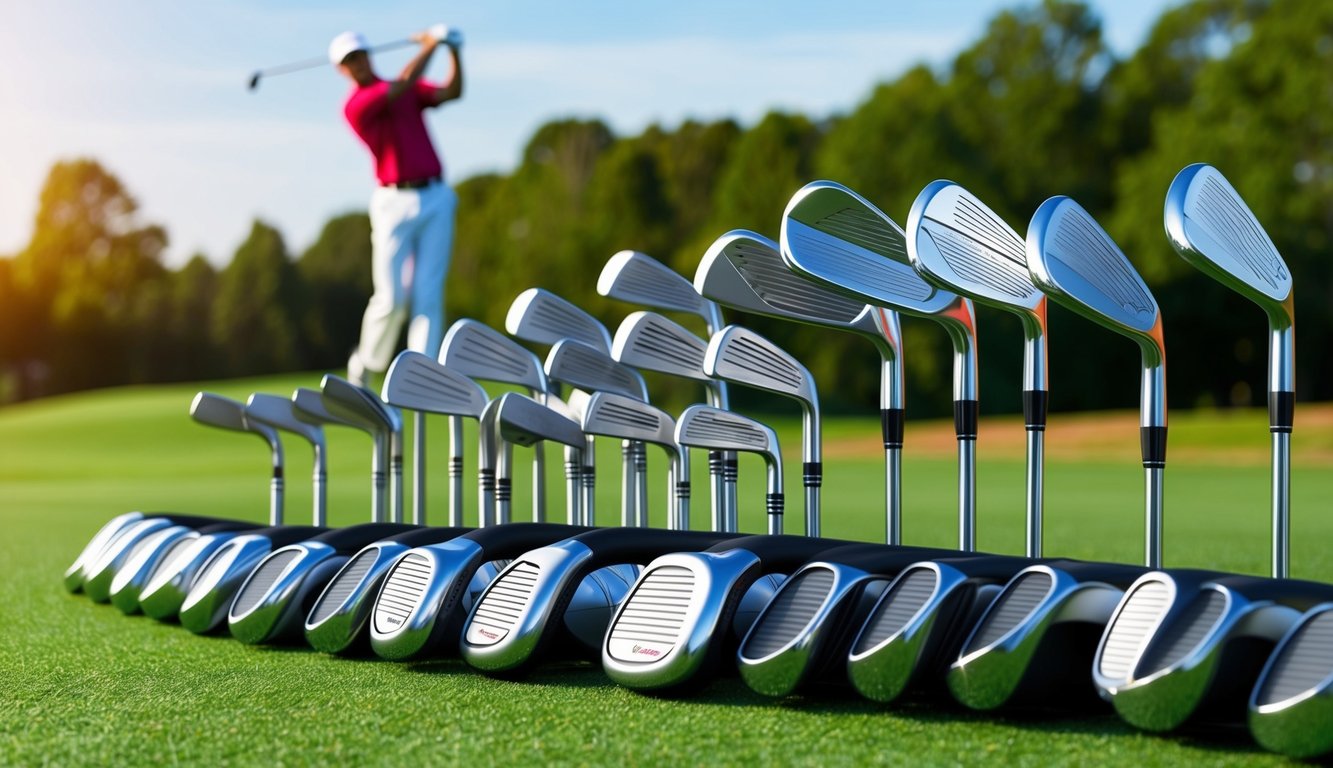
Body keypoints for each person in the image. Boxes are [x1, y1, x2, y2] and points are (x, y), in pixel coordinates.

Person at [328, 27, 464, 388]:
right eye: (348, 61)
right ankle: (366, 364)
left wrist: (454, 51)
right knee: (391, 297)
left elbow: (451, 92)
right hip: (392, 202)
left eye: (359, 55)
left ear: (369, 55)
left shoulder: (406, 89)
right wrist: (432, 45)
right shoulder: (357, 104)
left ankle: (421, 374)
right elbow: (403, 82)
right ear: (341, 70)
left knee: (429, 293)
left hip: (435, 197)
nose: (356, 64)